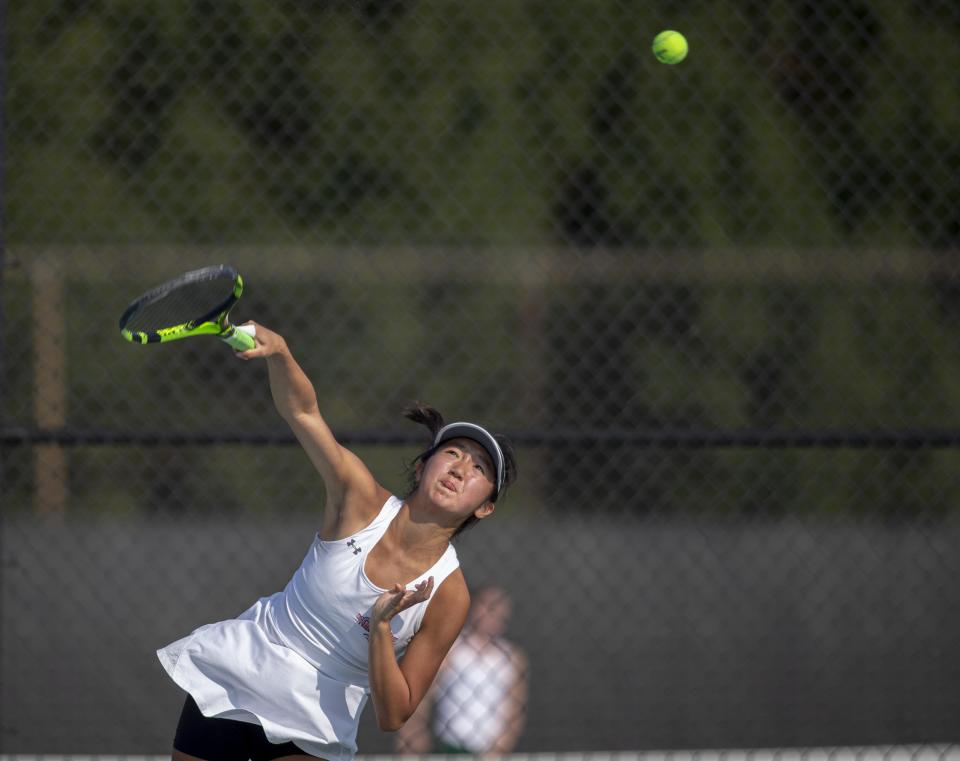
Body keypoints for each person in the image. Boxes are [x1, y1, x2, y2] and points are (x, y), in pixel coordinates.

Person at [156, 321, 517, 761]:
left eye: (480, 468)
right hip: (241, 670)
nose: (462, 468)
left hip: (319, 718)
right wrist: (281, 353)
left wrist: (381, 629)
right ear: (423, 469)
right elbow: (304, 414)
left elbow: (395, 714)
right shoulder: (359, 499)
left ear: (485, 507)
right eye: (453, 453)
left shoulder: (449, 595)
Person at [395, 586, 528, 755]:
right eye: (488, 606)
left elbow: (516, 710)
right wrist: (413, 733)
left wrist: (498, 750)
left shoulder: (512, 657)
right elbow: (423, 695)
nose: (493, 613)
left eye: (499, 608)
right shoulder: (452, 648)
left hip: (489, 751)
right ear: (475, 607)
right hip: (449, 746)